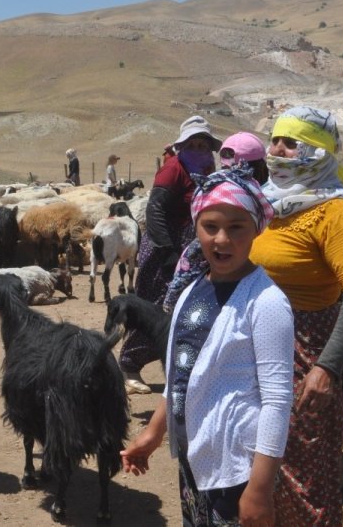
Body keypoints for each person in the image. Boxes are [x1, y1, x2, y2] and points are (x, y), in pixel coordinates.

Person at [121, 166, 293, 526]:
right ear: (196, 227)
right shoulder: (190, 290)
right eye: (210, 227)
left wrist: (259, 490)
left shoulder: (266, 302)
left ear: (255, 230)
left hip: (236, 466)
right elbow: (183, 375)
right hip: (195, 455)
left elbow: (277, 401)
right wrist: (153, 434)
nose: (221, 240)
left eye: (236, 228)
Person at [250, 106, 343, 526]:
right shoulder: (267, 203)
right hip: (254, 348)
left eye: (292, 143)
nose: (278, 150)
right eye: (275, 140)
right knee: (259, 472)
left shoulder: (333, 212)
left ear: (319, 152)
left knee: (304, 477)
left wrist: (326, 367)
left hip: (305, 353)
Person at [120, 115, 221, 394]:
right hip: (167, 250)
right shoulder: (173, 169)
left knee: (187, 308)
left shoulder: (206, 169)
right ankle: (129, 363)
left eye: (204, 144)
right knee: (159, 307)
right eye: (193, 143)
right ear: (182, 145)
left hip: (190, 250)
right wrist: (169, 254)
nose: (199, 149)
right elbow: (156, 211)